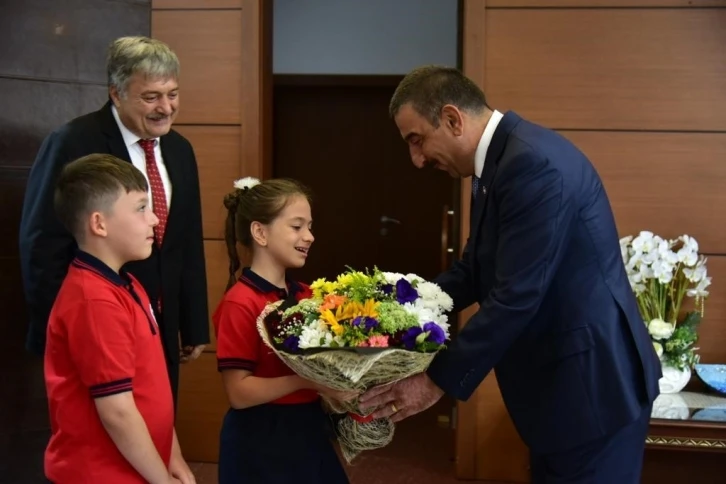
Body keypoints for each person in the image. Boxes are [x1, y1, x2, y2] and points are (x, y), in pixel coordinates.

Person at [359, 66, 662, 483]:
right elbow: (473, 272)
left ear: (452, 119)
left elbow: (516, 297)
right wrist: (392, 307)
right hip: (563, 393)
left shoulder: (533, 165)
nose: (417, 159)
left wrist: (433, 382)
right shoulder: (498, 164)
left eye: (417, 140)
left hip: (593, 393)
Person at [18, 36, 209, 403]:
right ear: (116, 94)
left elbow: (186, 241)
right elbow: (42, 245)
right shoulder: (73, 142)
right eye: (151, 97)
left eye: (173, 94)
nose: (165, 108)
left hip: (159, 327)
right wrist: (62, 331)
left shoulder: (180, 149)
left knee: (155, 423)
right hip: (95, 327)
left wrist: (192, 321)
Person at [44, 153, 194, 484]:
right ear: (99, 224)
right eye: (141, 208)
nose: (154, 220)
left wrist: (172, 454)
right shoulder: (94, 300)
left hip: (137, 469)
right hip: (100, 475)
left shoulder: (128, 284)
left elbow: (149, 385)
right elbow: (117, 411)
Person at [213, 177, 351, 484]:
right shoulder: (240, 302)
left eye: (310, 226)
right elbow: (239, 392)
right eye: (297, 226)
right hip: (261, 438)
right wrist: (306, 380)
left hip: (307, 430)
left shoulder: (306, 295)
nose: (310, 236)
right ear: (260, 232)